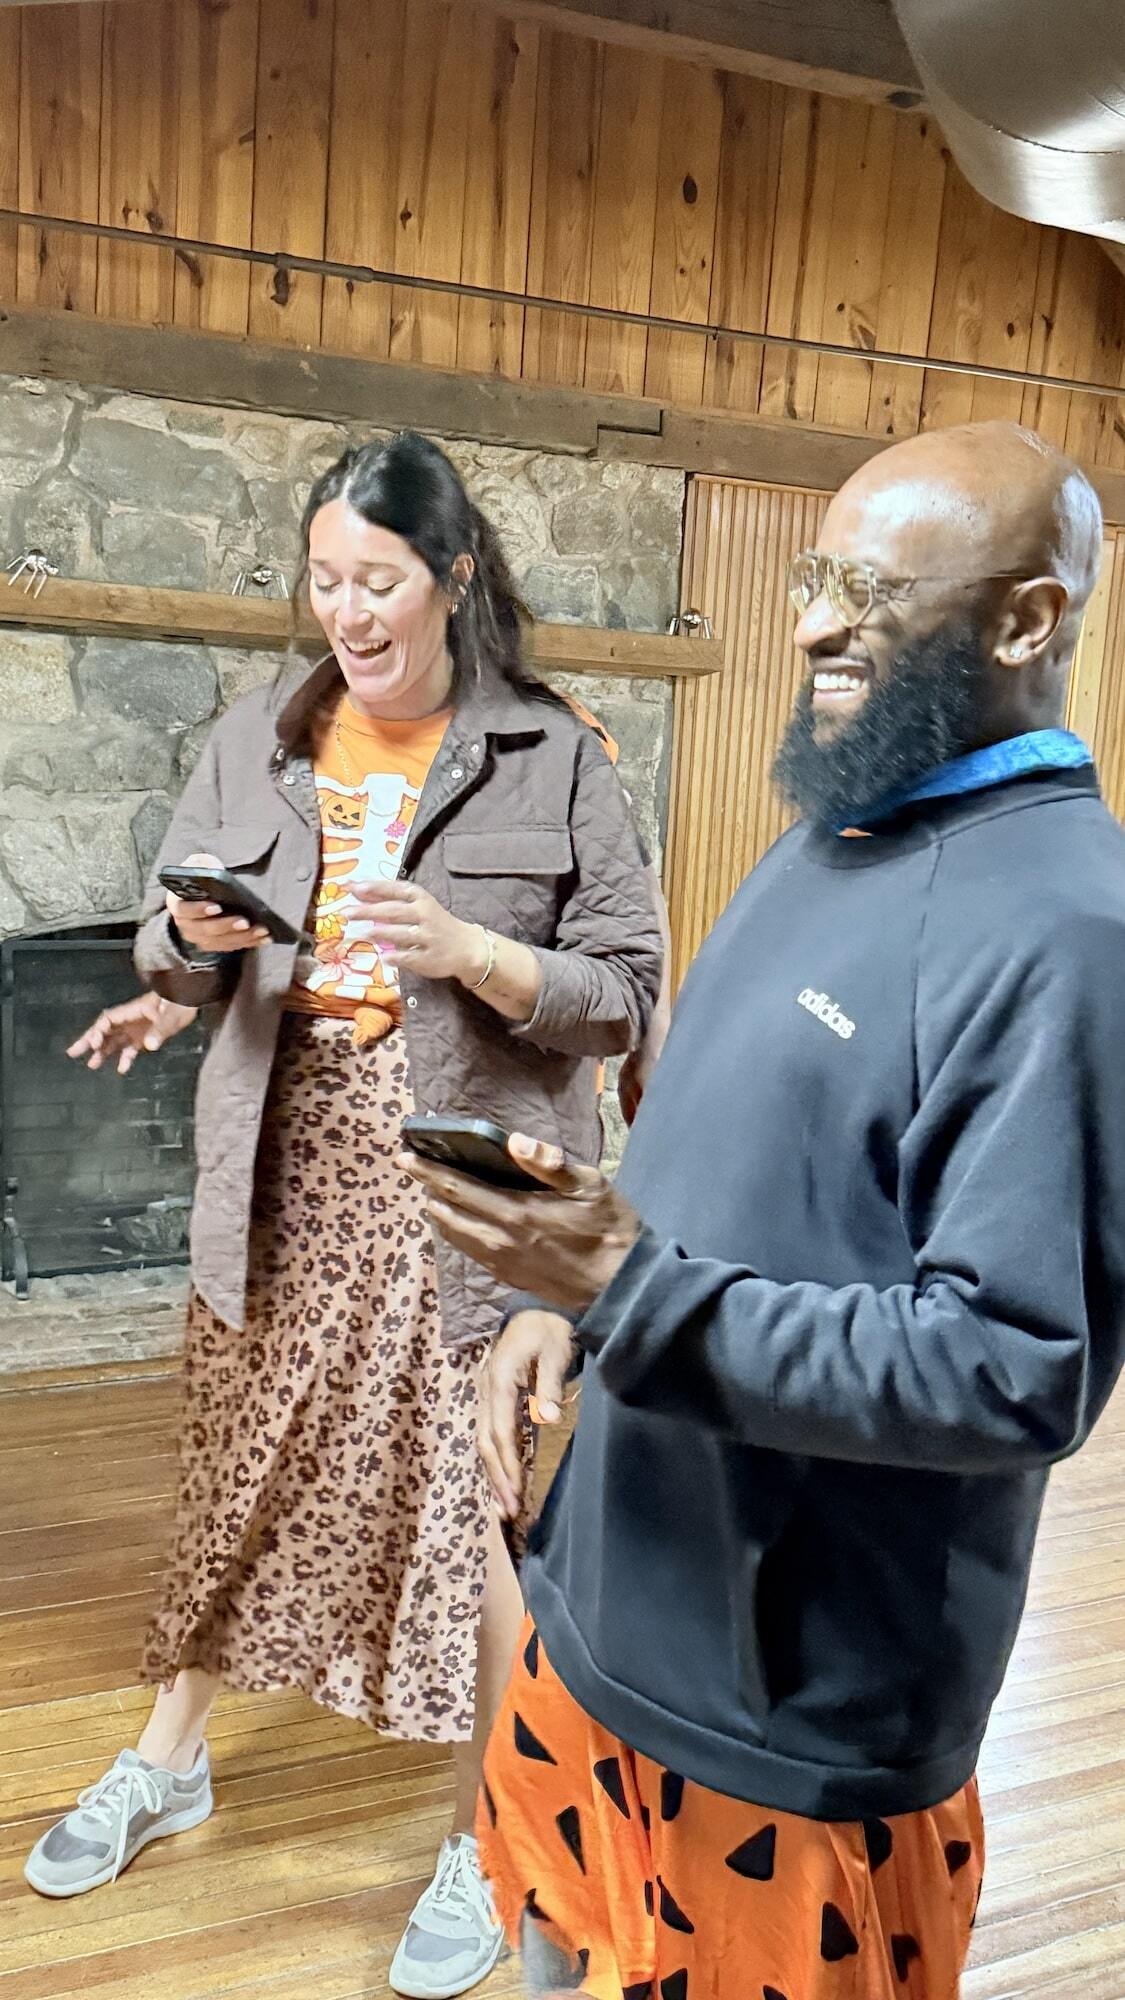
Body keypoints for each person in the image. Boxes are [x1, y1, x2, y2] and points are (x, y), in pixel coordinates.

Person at [403, 421, 1125, 2000]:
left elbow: (1015, 1367)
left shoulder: (1068, 933)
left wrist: (628, 1293)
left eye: (870, 590)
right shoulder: (834, 838)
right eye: (814, 578)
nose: (808, 625)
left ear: (1025, 621)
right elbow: (707, 1180)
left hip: (788, 1713)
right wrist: (561, 1307)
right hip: (603, 1599)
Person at [27, 432, 662, 2000]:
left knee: (474, 1508)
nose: (347, 613)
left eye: (377, 581)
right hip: (285, 1160)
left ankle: (490, 1837)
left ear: (452, 577)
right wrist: (174, 966)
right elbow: (196, 944)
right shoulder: (262, 732)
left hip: (467, 1185)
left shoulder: (552, 752)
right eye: (323, 581)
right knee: (243, 1471)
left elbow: (626, 993)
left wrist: (468, 950)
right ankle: (172, 1759)